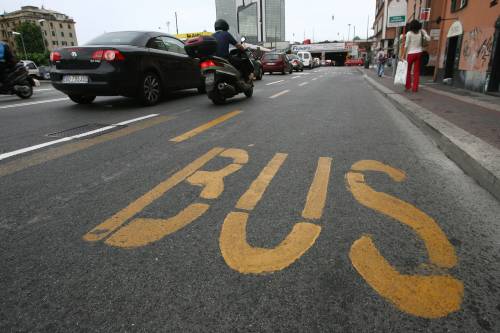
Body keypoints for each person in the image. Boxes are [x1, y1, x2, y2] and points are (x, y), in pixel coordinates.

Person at [404, 19, 431, 92]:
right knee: (416, 71)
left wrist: (403, 55)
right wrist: (424, 35)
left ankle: (408, 86)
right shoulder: (421, 31)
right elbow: (429, 39)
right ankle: (415, 88)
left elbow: (406, 45)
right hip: (419, 53)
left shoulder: (409, 33)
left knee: (408, 70)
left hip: (410, 54)